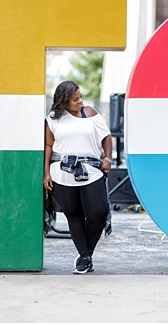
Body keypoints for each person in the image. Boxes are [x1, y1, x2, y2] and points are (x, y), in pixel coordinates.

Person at [43, 80, 114, 274]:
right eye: (75, 99)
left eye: (81, 97)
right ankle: (84, 257)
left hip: (91, 169)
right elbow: (48, 146)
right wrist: (46, 173)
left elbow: (106, 137)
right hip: (62, 171)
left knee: (98, 212)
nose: (80, 101)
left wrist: (107, 158)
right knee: (73, 215)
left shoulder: (90, 113)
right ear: (63, 100)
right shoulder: (53, 118)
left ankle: (87, 252)